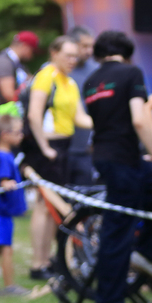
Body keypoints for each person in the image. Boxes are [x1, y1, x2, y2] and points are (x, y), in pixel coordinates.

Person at [83, 31, 152, 303]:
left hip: (105, 156)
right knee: (118, 228)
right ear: (127, 52)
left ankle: (146, 254)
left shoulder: (91, 81)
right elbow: (139, 119)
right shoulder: (132, 73)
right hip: (123, 158)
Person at [23, 35, 93, 280]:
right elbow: (34, 115)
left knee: (53, 205)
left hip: (64, 146)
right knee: (44, 204)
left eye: (75, 56)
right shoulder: (46, 76)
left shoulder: (69, 82)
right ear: (54, 53)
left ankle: (50, 260)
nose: (73, 60)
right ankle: (38, 263)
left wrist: (109, 121)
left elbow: (80, 117)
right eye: (68, 55)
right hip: (47, 147)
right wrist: (44, 148)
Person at [0, 32, 38, 187]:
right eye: (32, 50)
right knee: (0, 160)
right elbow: (8, 93)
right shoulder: (3, 62)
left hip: (8, 121)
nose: (32, 55)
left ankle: (9, 190)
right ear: (25, 46)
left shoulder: (16, 64)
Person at [0, 115, 30, 297]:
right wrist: (6, 183)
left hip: (0, 210)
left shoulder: (4, 154)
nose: (21, 136)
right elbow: (2, 179)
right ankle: (9, 286)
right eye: (17, 132)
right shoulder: (3, 156)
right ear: (4, 134)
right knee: (5, 249)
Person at [67, 25, 99, 185]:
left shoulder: (96, 70)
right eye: (85, 46)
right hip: (61, 146)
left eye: (91, 46)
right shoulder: (56, 72)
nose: (89, 51)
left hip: (86, 148)